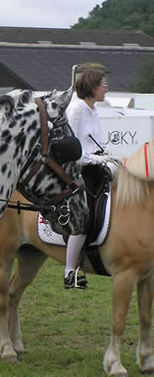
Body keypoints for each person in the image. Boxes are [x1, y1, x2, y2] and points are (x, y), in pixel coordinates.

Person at [64, 63, 113, 289]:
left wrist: (106, 156)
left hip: (95, 167)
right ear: (92, 87)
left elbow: (95, 144)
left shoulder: (93, 109)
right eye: (103, 85)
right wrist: (95, 159)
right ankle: (69, 271)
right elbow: (73, 150)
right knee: (85, 216)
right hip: (80, 171)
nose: (106, 89)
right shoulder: (76, 110)